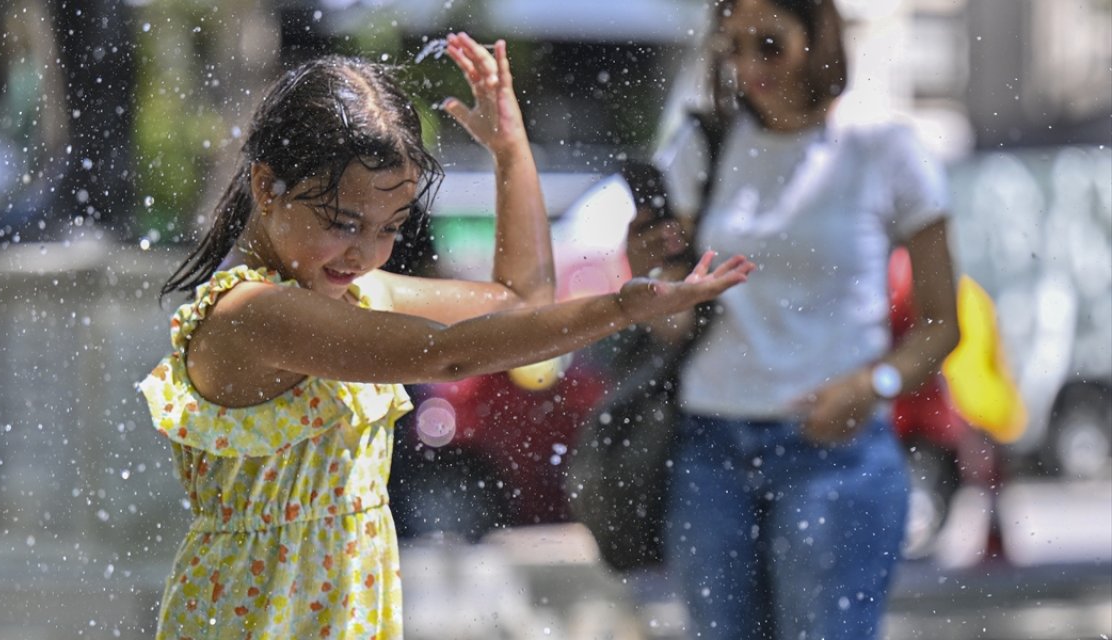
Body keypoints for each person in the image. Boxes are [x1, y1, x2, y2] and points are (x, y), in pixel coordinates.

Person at [139, 32, 755, 639]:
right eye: (344, 222)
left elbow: (519, 304)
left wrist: (511, 150)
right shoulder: (251, 313)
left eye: (390, 228)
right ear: (266, 186)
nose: (366, 251)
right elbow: (449, 354)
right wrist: (620, 308)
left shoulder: (353, 292)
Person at [633, 1, 962, 638]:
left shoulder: (883, 150)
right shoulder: (704, 147)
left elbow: (943, 325)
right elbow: (672, 324)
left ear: (818, 37)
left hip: (836, 453)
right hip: (711, 447)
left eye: (769, 44)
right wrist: (648, 281)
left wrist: (873, 387)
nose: (750, 65)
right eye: (734, 48)